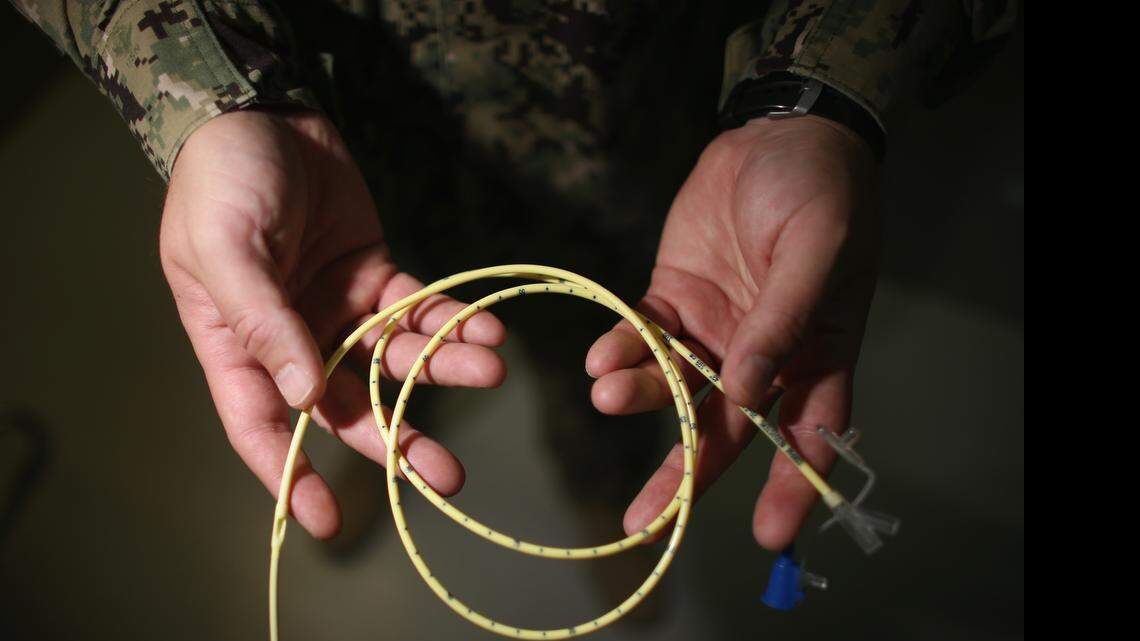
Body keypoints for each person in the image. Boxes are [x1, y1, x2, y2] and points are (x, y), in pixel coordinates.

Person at [10, 0, 1016, 554]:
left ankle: (603, 496)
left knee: (629, 373)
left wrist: (822, 88)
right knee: (365, 348)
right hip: (347, 148)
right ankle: (388, 445)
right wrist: (204, 89)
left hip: (665, 160)